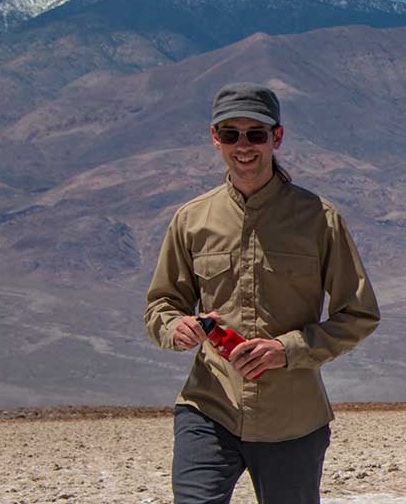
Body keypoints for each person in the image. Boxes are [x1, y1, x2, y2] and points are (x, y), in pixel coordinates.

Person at [143, 83, 383, 502]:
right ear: (215, 138)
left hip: (292, 418)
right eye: (231, 134)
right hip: (210, 405)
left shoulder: (318, 220)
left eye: (256, 134)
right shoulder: (192, 220)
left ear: (277, 137)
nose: (244, 146)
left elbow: (358, 314)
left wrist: (287, 350)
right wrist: (175, 327)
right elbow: (162, 304)